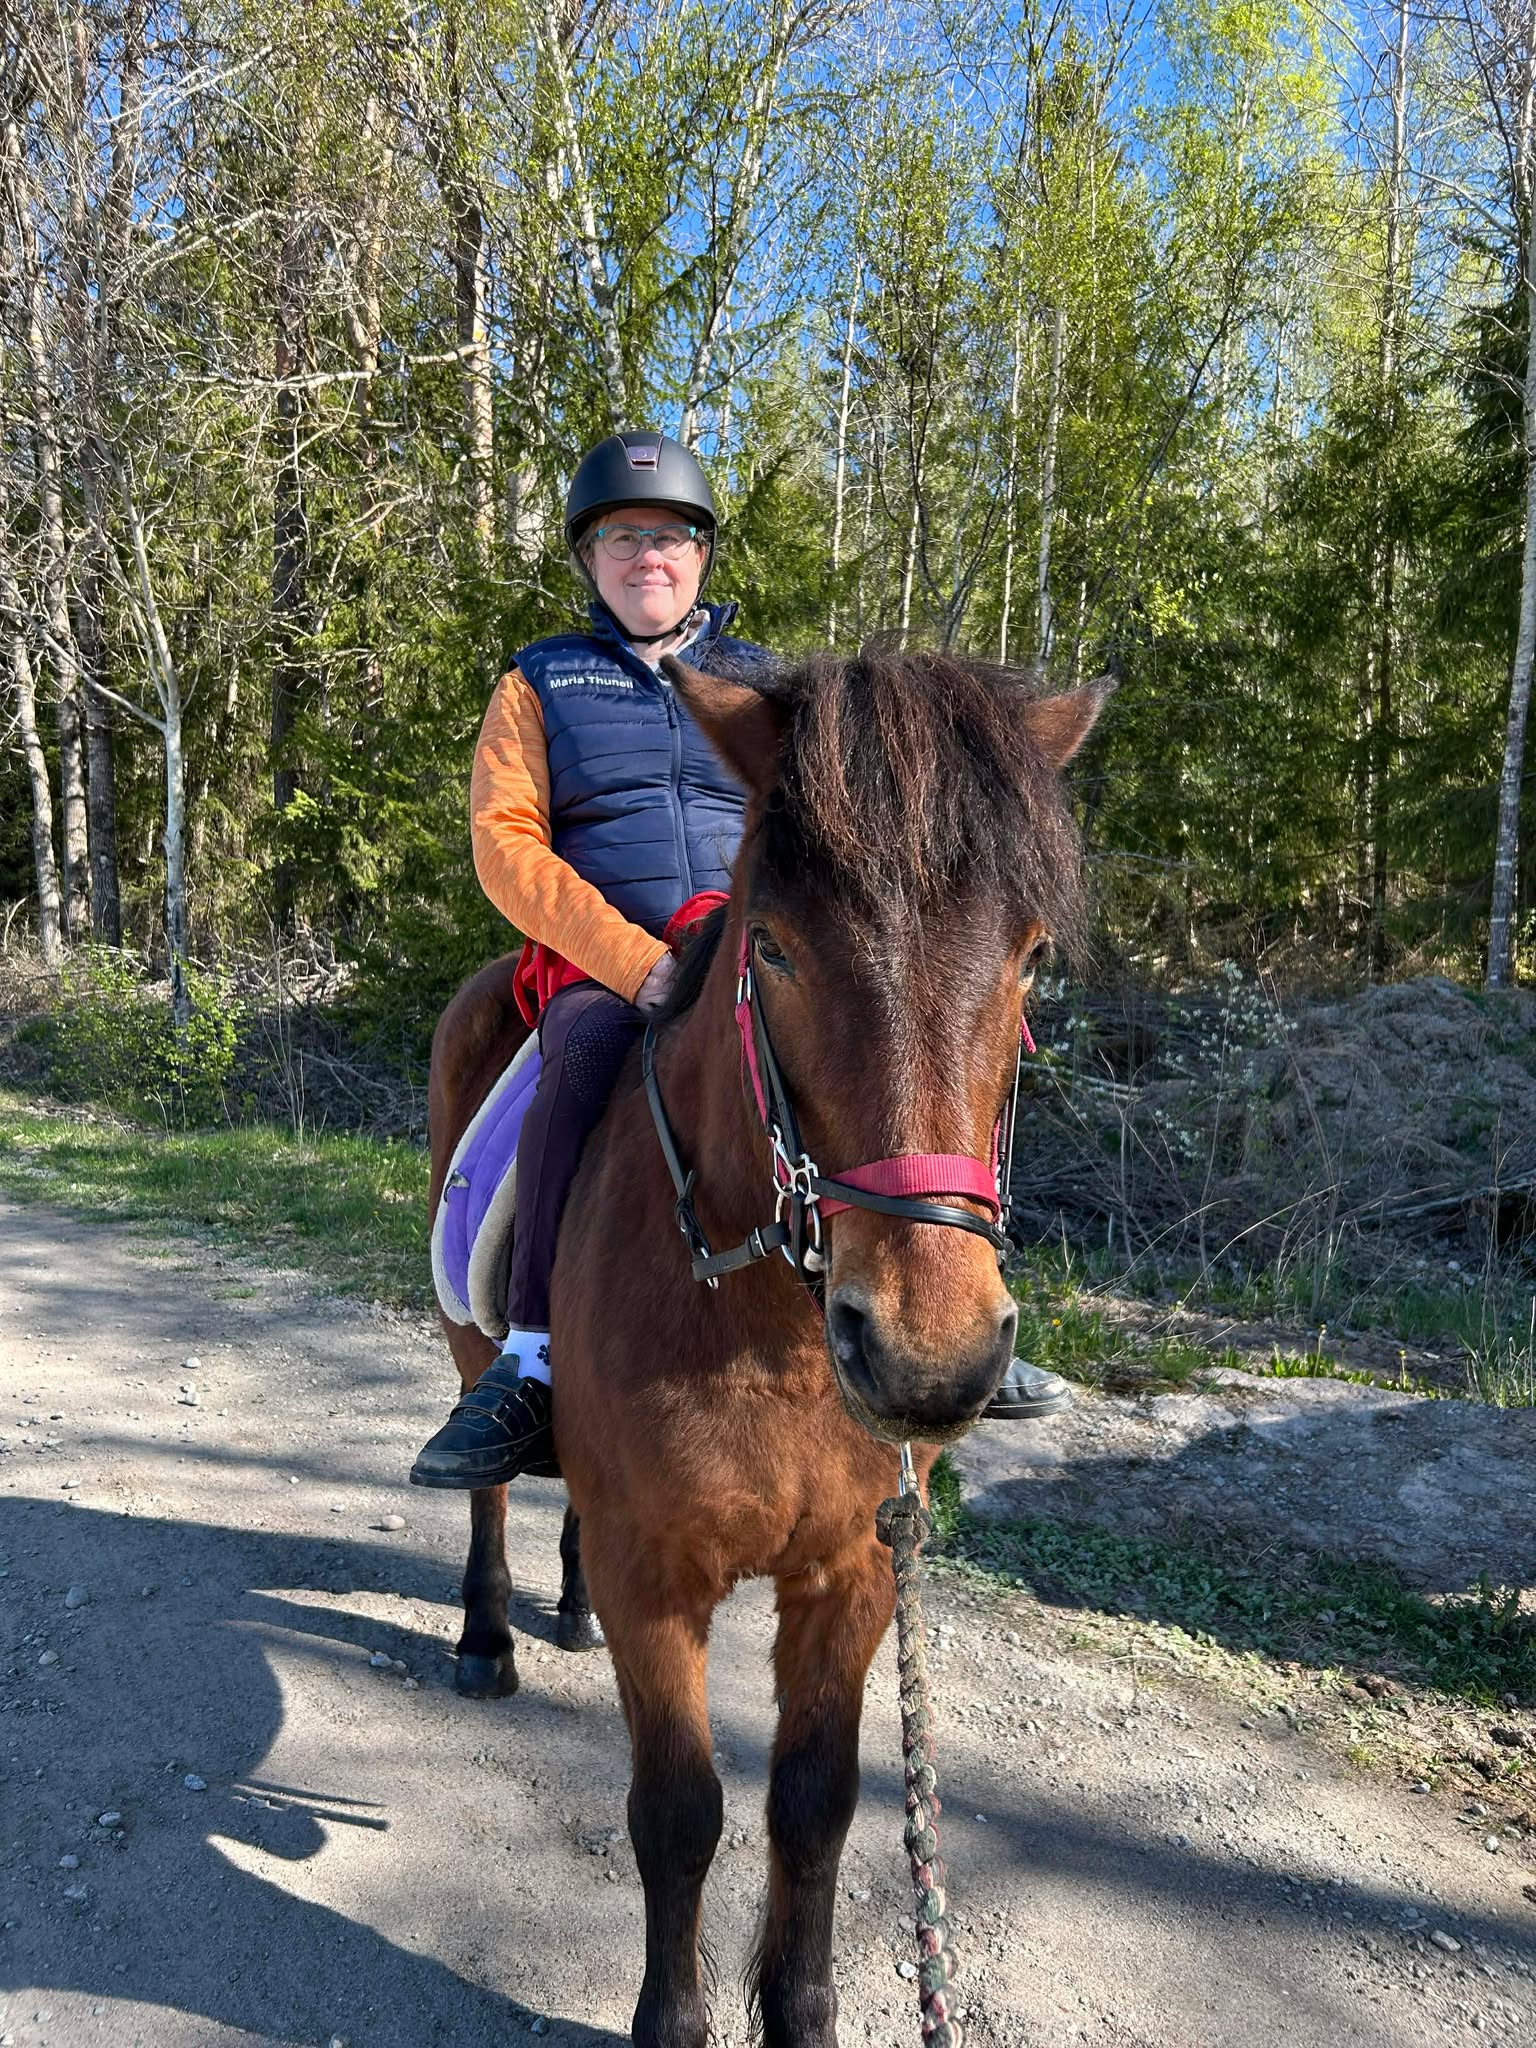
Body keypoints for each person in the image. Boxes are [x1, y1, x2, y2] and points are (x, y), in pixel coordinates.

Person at [409, 429, 1070, 1491]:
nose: (649, 557)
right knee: (582, 1055)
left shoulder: (770, 685)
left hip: (754, 947)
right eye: (623, 538)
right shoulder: (537, 684)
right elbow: (506, 845)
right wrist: (634, 964)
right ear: (589, 558)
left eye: (669, 537)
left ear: (702, 554)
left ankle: (945, 1298)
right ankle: (531, 1354)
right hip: (604, 962)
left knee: (900, 1051)